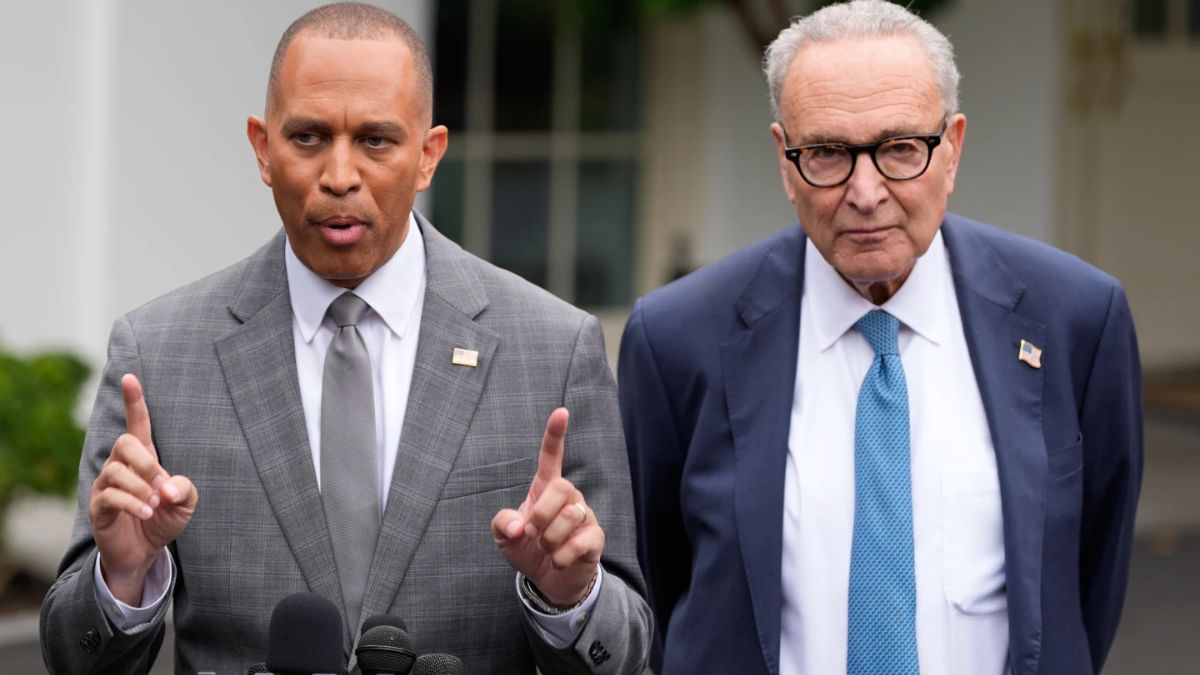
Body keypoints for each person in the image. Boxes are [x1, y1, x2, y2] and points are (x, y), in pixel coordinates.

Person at [40, 4, 650, 674]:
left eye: (375, 140)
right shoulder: (159, 355)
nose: (338, 174)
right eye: (307, 137)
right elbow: (73, 655)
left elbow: (625, 651)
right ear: (262, 148)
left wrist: (571, 599)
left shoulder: (553, 350)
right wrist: (122, 580)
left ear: (429, 155)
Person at [617, 1, 1142, 674]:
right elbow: (658, 586)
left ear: (952, 149)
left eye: (900, 148)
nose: (866, 193)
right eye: (828, 153)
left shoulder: (1076, 320)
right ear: (785, 160)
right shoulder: (676, 340)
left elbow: (1087, 586)